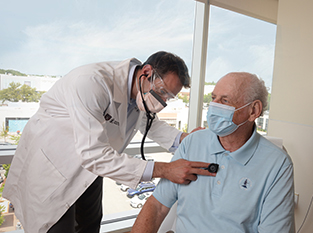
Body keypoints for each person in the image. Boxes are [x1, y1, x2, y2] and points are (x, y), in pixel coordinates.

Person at [3, 51, 215, 233]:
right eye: (162, 92)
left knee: (90, 225)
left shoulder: (139, 93)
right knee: (58, 227)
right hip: (53, 165)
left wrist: (184, 139)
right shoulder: (92, 82)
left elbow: (151, 124)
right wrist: (166, 170)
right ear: (147, 72)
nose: (162, 101)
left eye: (169, 97)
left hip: (92, 169)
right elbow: (94, 155)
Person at [131, 72, 295, 233]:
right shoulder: (192, 143)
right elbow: (157, 205)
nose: (214, 106)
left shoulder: (277, 165)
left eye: (225, 100)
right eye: (213, 98)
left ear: (253, 111)